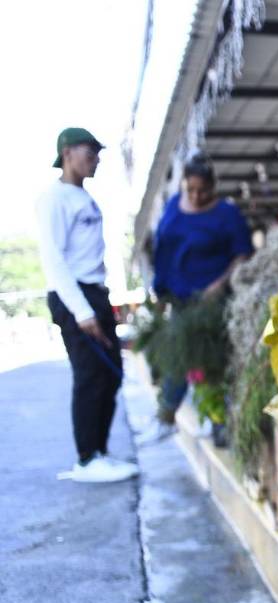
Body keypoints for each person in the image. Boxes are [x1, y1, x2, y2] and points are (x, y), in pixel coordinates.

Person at [36, 127, 137, 483]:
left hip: (96, 291)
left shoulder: (86, 199)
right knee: (90, 376)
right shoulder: (54, 198)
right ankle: (86, 458)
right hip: (73, 295)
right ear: (67, 153)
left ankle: (100, 451)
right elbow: (54, 260)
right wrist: (81, 311)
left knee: (112, 374)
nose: (96, 159)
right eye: (89, 152)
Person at [137, 154, 253, 444]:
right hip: (180, 300)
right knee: (179, 357)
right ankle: (166, 417)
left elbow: (242, 254)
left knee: (220, 362)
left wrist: (220, 283)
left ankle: (223, 423)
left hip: (216, 302)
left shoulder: (227, 213)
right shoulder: (173, 207)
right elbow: (163, 249)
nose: (197, 196)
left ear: (213, 187)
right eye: (191, 190)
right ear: (184, 185)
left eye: (203, 190)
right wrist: (160, 290)